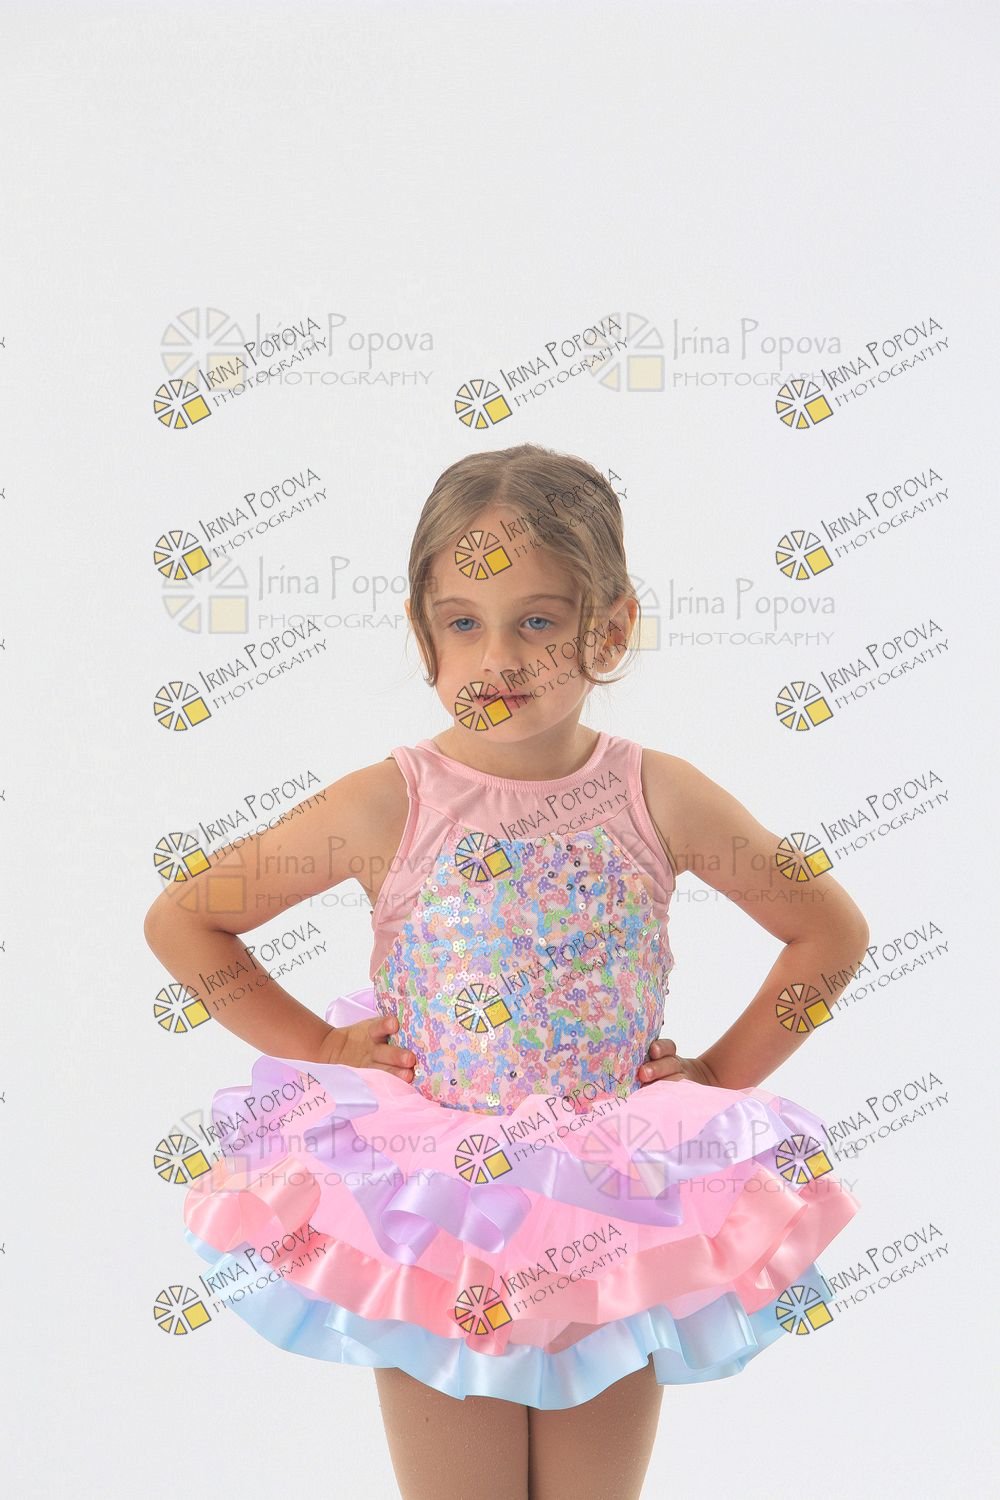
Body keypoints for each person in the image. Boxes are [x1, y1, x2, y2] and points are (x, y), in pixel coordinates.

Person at [144, 442, 868, 1500]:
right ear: (422, 632)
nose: (498, 658)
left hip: (611, 1208)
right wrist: (321, 1047)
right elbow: (186, 919)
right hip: (440, 1212)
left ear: (608, 629)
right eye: (462, 623)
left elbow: (827, 933)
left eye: (537, 622)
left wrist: (718, 1076)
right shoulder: (387, 804)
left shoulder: (657, 796)